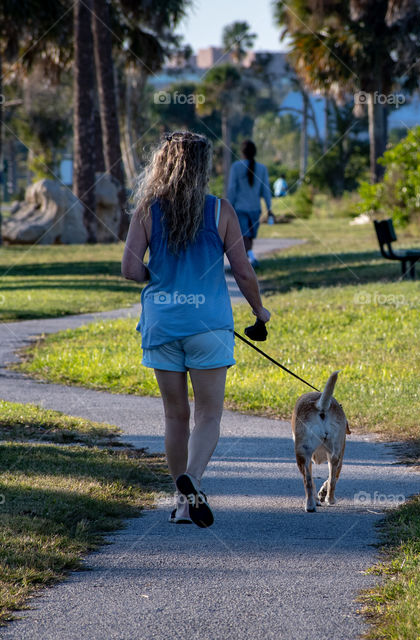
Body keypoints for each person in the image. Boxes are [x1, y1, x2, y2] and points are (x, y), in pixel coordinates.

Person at [121, 131, 271, 528]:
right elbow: (242, 270)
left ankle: (182, 502)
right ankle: (195, 480)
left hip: (162, 322)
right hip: (209, 325)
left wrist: (167, 281)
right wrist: (260, 312)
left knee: (175, 417)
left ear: (162, 164)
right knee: (207, 415)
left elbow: (131, 270)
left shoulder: (146, 210)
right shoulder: (221, 210)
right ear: (203, 167)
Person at [226, 140, 273, 266]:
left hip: (240, 208)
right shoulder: (262, 168)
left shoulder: (236, 167)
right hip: (255, 208)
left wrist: (228, 206)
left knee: (244, 235)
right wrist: (269, 209)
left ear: (242, 152)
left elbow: (232, 189)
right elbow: (266, 190)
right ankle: (249, 258)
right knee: (249, 236)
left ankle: (247, 260)